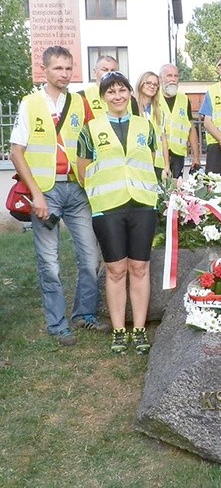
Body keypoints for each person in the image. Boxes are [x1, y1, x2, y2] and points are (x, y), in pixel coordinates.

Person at [9, 45, 104, 347]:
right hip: (45, 191)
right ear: (45, 70)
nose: (64, 74)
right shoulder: (29, 103)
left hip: (76, 188)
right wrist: (36, 195)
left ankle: (84, 314)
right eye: (58, 68)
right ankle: (57, 324)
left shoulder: (78, 103)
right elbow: (16, 152)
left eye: (68, 68)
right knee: (49, 262)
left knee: (90, 257)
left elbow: (91, 144)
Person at [76, 71, 159, 354]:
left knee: (139, 268)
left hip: (142, 205)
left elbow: (155, 163)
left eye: (122, 90)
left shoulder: (145, 126)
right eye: (111, 92)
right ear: (103, 97)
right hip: (108, 207)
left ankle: (138, 328)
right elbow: (82, 170)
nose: (118, 96)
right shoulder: (90, 129)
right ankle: (119, 330)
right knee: (115, 270)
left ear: (130, 93)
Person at [158, 63, 201, 178]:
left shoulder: (184, 99)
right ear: (160, 79)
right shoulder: (153, 97)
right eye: (169, 76)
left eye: (176, 76)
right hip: (158, 155)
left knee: (176, 190)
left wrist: (196, 157)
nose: (173, 79)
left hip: (178, 155)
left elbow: (191, 128)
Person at [135, 71, 171, 181]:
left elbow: (163, 139)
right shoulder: (131, 108)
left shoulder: (160, 111)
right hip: (138, 163)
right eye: (148, 83)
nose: (152, 86)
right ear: (140, 84)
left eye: (155, 84)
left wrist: (167, 166)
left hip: (158, 164)